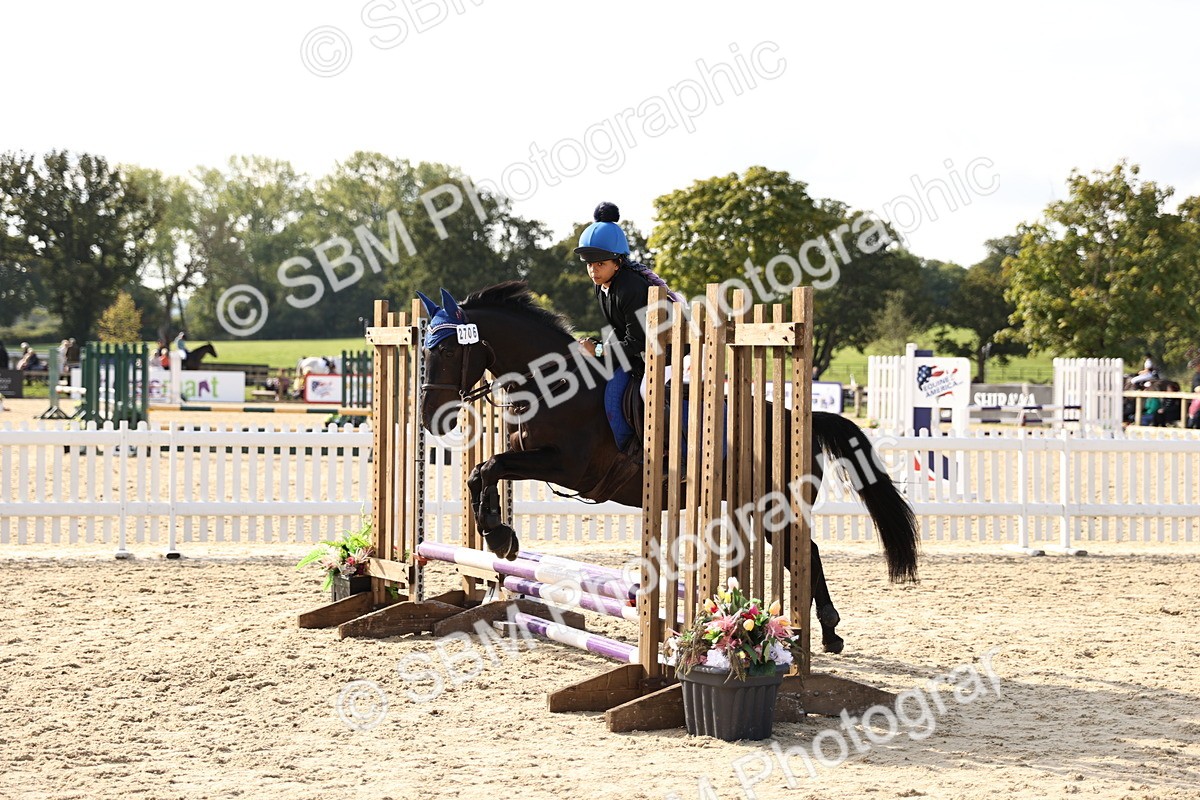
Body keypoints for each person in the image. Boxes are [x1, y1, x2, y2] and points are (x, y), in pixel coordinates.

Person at [573, 201, 679, 378]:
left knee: (645, 392)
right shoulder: (601, 286)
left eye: (600, 264)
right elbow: (620, 330)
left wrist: (598, 350)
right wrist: (594, 346)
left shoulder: (630, 287)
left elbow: (636, 342)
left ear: (618, 263)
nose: (593, 270)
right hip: (645, 353)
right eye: (589, 264)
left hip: (671, 357)